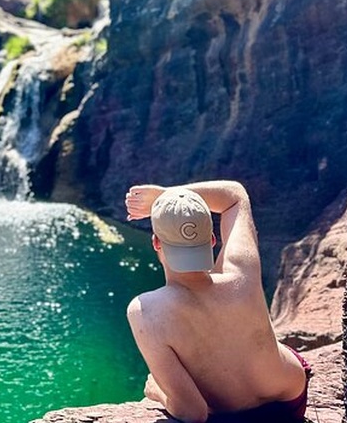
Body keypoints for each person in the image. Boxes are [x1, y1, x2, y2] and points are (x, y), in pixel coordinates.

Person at [123, 181, 312, 423]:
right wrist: (166, 195)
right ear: (212, 239)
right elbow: (235, 195)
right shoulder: (241, 270)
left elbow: (193, 413)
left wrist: (157, 393)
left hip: (232, 418)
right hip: (290, 401)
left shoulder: (146, 310)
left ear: (156, 243)